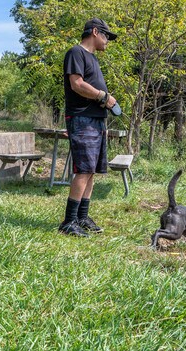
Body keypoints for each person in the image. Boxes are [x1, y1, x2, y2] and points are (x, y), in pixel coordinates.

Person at [59, 18, 118, 237]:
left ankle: (82, 217)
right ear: (95, 32)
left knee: (91, 170)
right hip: (82, 119)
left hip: (96, 120)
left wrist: (105, 102)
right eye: (106, 36)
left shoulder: (92, 58)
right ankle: (68, 221)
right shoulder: (76, 52)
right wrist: (103, 96)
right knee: (83, 169)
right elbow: (77, 84)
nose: (108, 41)